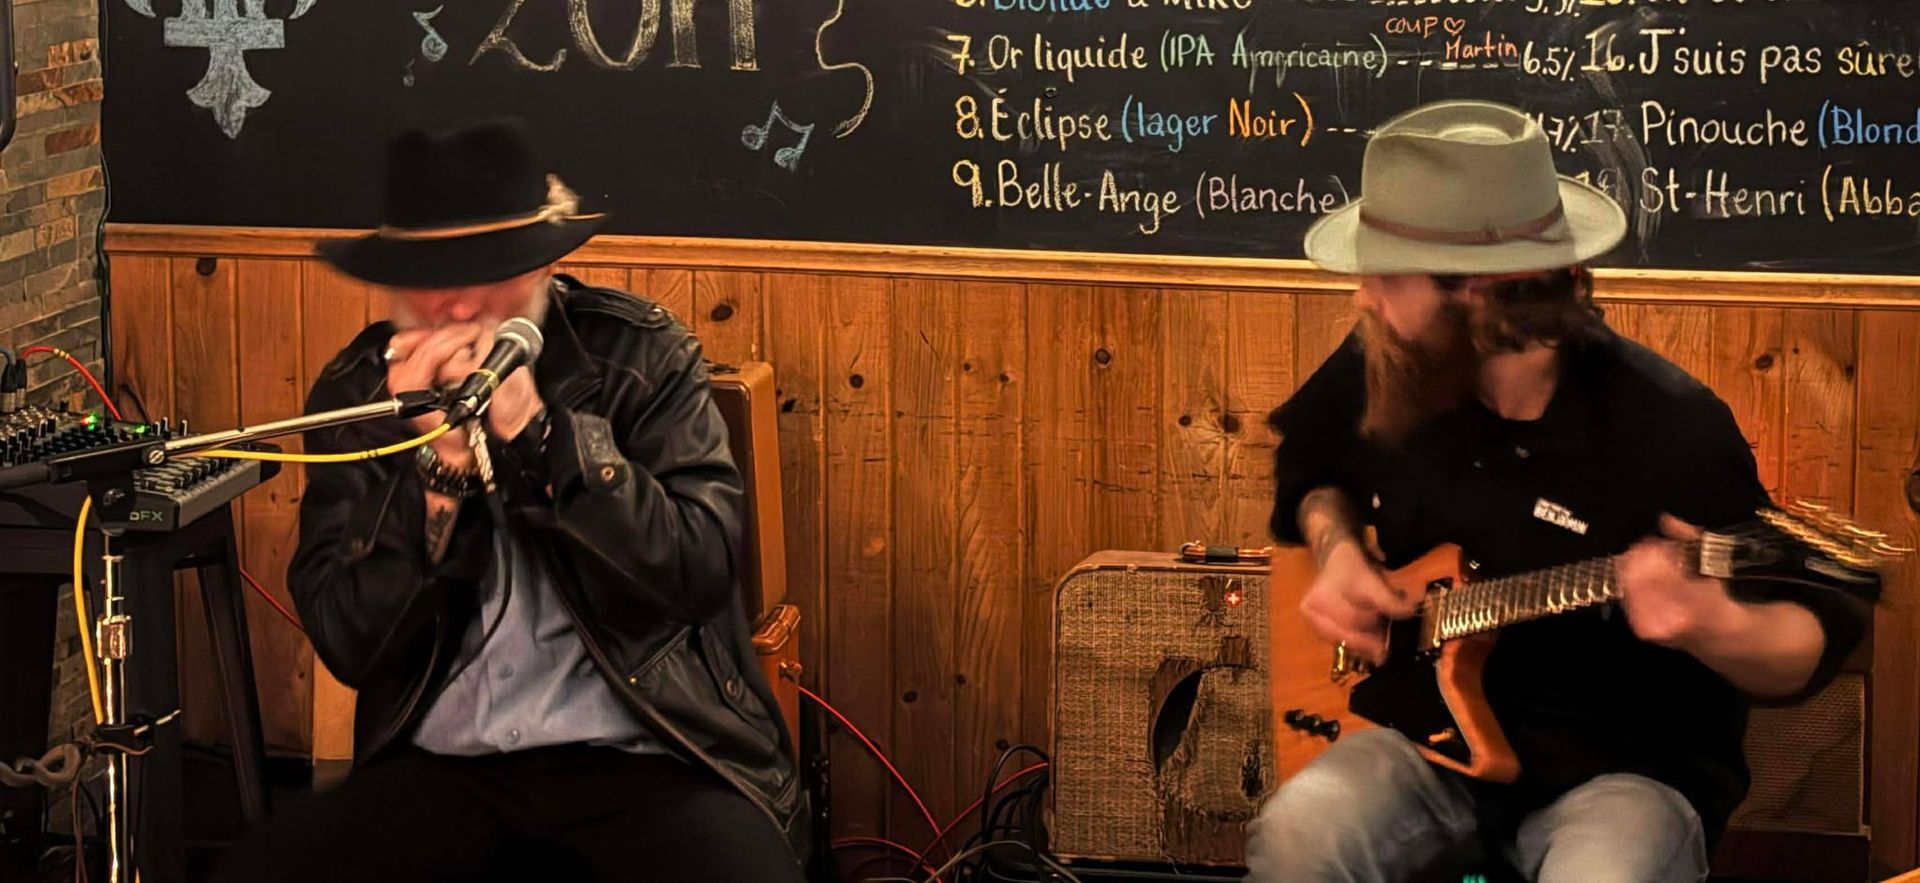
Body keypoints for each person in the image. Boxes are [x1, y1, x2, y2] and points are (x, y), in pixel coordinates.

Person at [1242, 100, 1877, 883]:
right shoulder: (1389, 362)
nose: (1364, 298)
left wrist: (1715, 625)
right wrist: (1339, 553)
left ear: (1483, 293)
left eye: (1388, 277)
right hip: (1423, 742)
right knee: (1299, 834)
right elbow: (1311, 466)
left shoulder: (1670, 425)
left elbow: (1814, 632)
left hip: (1620, 776)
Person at [211, 119, 806, 882]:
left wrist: (541, 430)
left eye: (483, 274)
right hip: (446, 766)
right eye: (432, 281)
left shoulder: (642, 356)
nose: (458, 309)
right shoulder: (359, 394)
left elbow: (696, 571)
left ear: (538, 271)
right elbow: (351, 641)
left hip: (650, 756)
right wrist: (441, 469)